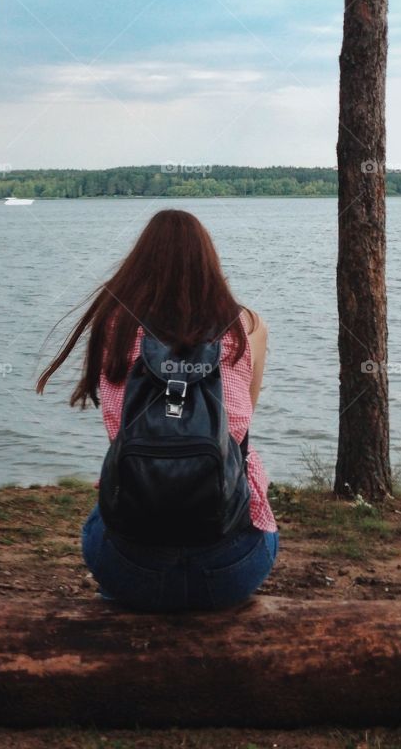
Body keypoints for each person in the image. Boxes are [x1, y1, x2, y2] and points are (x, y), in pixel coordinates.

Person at [37, 208, 277, 611]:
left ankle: (125, 600)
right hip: (230, 566)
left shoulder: (115, 324)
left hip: (131, 566)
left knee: (103, 526)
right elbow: (241, 428)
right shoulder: (247, 326)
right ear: (209, 264)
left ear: (140, 264)